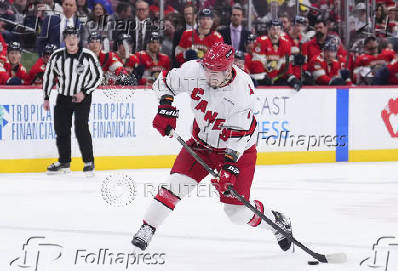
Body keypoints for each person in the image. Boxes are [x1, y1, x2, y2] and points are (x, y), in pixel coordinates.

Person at [131, 42, 294, 253]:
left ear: (229, 69)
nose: (210, 76)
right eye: (208, 69)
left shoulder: (242, 91)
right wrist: (165, 105)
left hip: (238, 150)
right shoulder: (194, 70)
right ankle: (147, 227)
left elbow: (240, 136)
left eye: (216, 72)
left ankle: (276, 221)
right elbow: (163, 82)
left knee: (237, 214)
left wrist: (229, 167)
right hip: (201, 145)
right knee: (175, 185)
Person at [42, 26, 103, 175]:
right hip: (63, 97)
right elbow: (48, 76)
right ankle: (64, 162)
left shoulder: (88, 55)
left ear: (78, 39)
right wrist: (46, 97)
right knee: (61, 129)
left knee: (81, 128)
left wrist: (84, 92)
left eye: (74, 36)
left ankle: (89, 162)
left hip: (82, 97)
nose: (71, 39)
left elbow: (98, 76)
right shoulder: (56, 56)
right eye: (68, 36)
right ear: (64, 39)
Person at [250, 20, 301, 90]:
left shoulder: (286, 44)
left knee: (287, 85)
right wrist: (263, 77)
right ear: (268, 30)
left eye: (278, 29)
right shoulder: (260, 41)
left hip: (275, 78)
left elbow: (285, 66)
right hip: (260, 78)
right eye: (273, 29)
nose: (276, 31)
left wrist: (291, 78)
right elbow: (257, 63)